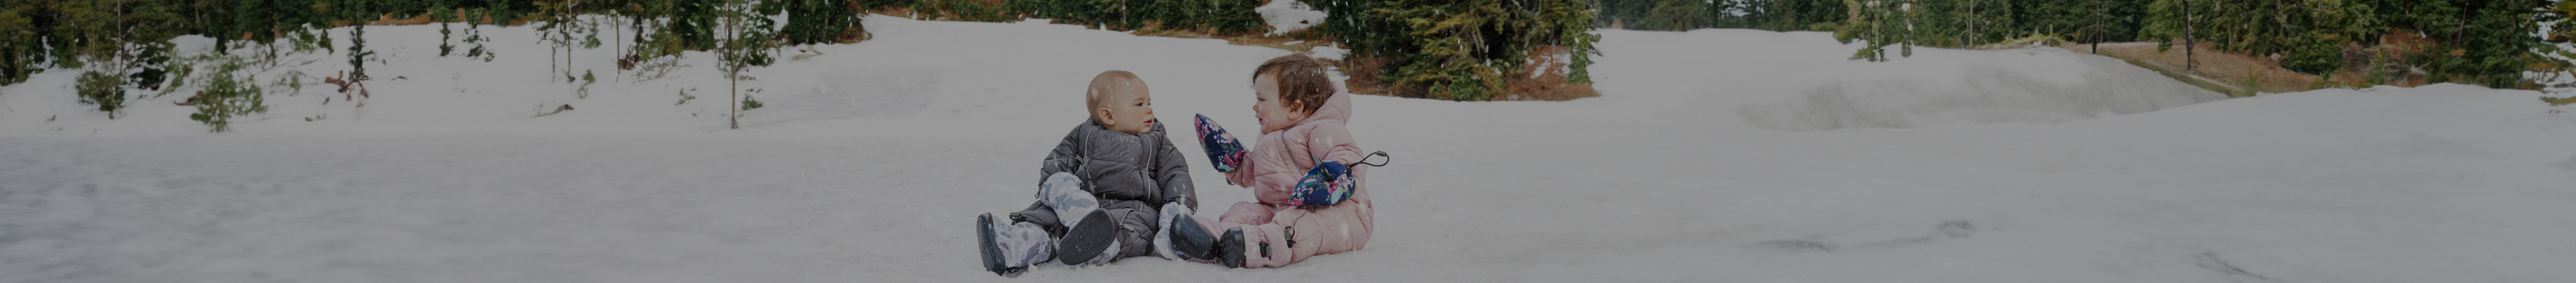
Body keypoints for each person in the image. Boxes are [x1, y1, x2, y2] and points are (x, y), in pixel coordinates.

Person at [976, 70, 1198, 277]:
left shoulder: (1158, 141)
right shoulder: (1084, 134)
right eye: (1139, 104)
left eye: (1149, 103)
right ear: (1108, 116)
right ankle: (1013, 247)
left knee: (1130, 228)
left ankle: (1100, 245)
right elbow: (1058, 160)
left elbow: (1176, 174)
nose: (1149, 109)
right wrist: (1056, 184)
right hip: (1078, 203)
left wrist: (1175, 210)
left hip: (1132, 208)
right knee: (1047, 220)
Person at [1176, 54, 1376, 268]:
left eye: (1262, 99)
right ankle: (1215, 238)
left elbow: (1346, 154)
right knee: (1246, 211)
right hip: (1282, 207)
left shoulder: (1323, 127)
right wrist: (1232, 160)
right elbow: (1252, 172)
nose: (1255, 106)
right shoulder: (1269, 136)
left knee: (1300, 223)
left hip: (1341, 212)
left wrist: (1335, 177)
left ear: (1295, 108)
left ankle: (1260, 246)